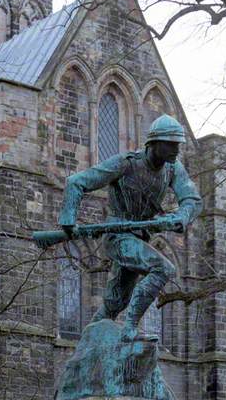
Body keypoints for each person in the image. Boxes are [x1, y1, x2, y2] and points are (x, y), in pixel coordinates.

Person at [55, 114, 202, 341]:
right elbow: (77, 182)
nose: (177, 150)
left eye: (178, 144)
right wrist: (68, 221)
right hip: (118, 237)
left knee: (115, 303)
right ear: (154, 144)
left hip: (139, 238)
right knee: (163, 269)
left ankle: (88, 343)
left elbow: (192, 199)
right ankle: (130, 328)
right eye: (171, 144)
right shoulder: (126, 163)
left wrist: (181, 216)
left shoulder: (173, 169)